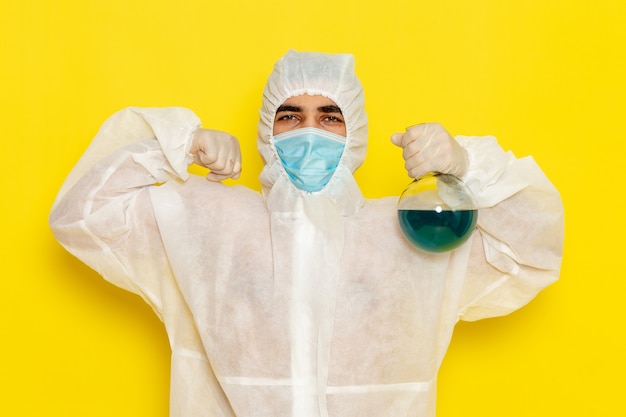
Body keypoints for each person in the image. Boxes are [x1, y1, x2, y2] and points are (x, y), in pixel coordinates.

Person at [49, 50, 564, 417]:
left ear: (355, 131)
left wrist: (464, 166)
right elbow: (81, 214)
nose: (310, 132)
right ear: (267, 133)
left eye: (330, 117)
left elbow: (532, 250)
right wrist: (176, 147)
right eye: (290, 116)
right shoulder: (211, 222)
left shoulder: (413, 232)